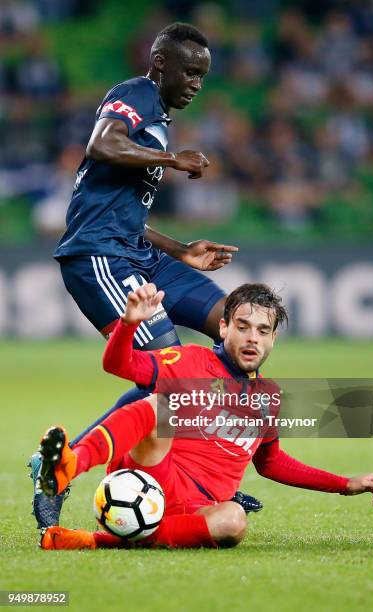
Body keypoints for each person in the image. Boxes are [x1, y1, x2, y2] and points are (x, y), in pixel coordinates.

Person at [29, 22, 262, 526]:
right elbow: (101, 144)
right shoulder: (134, 94)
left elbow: (125, 211)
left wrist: (182, 250)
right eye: (190, 71)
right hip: (101, 257)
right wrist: (170, 160)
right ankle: (58, 473)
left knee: (236, 320)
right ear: (161, 63)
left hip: (138, 251)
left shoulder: (158, 119)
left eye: (204, 75)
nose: (197, 83)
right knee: (167, 375)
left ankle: (208, 471)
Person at [37, 283, 373, 550]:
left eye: (263, 331)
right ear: (223, 328)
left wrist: (344, 485)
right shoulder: (188, 360)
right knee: (160, 409)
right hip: (153, 477)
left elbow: (271, 462)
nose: (252, 339)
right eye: (243, 326)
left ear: (273, 338)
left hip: (200, 508)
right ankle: (70, 465)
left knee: (234, 521)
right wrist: (128, 325)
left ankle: (91, 540)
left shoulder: (269, 396)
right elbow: (118, 364)